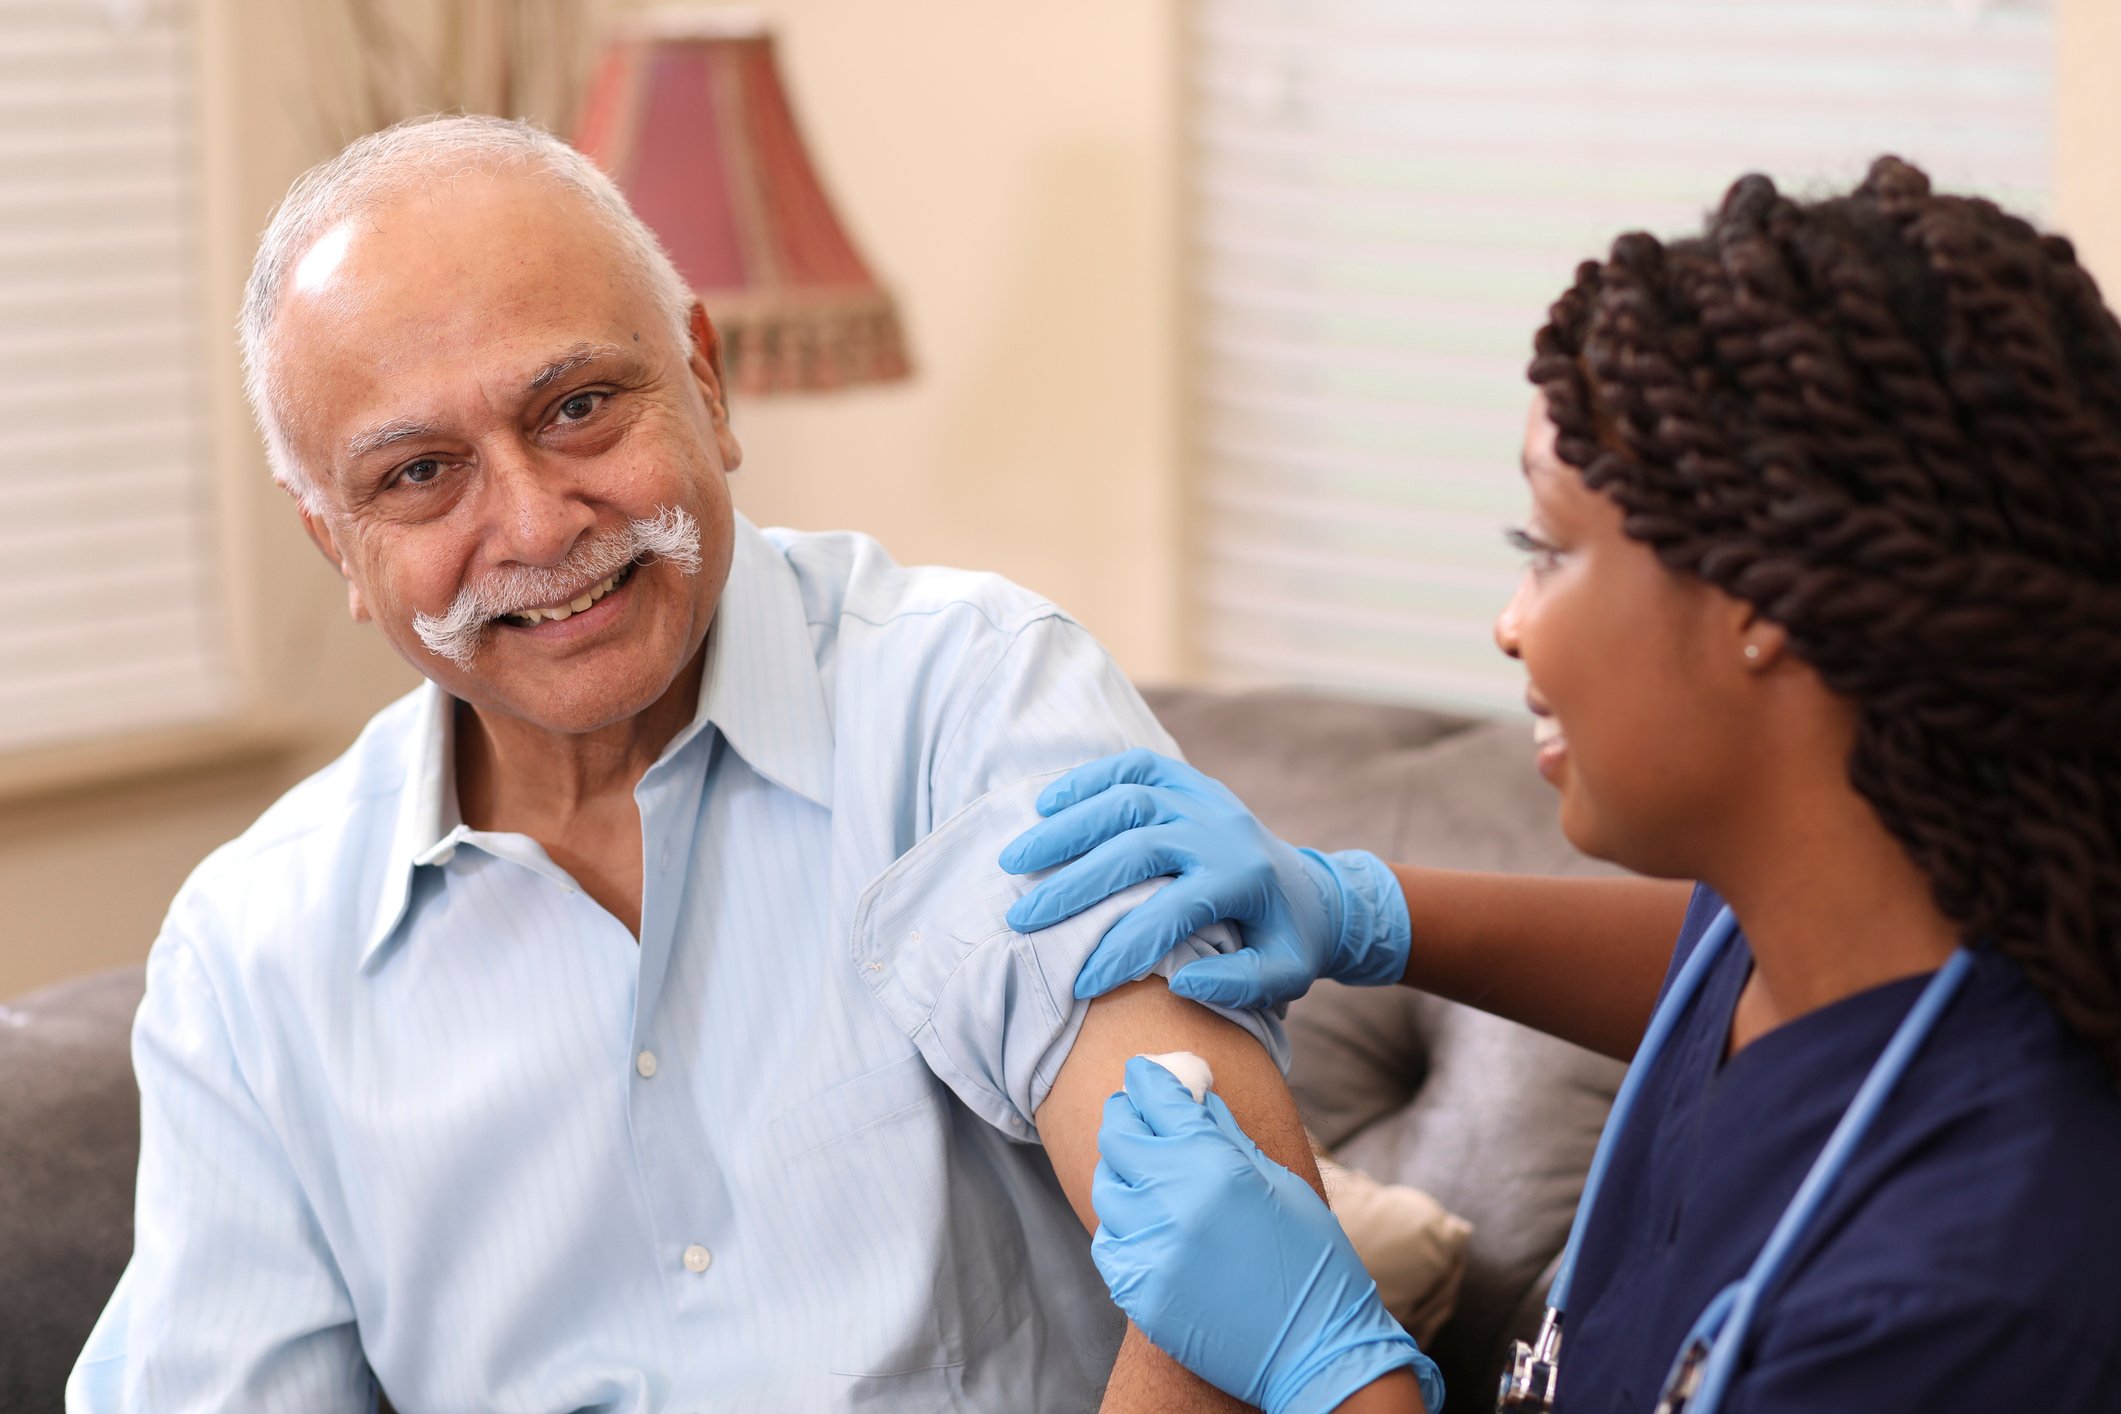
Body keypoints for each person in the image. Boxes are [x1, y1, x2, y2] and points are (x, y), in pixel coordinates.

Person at [65, 114, 1418, 1414]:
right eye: (421, 474)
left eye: (580, 404)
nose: (536, 522)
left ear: (705, 383)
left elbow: (1218, 1285)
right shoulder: (251, 955)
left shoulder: (973, 699)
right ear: (334, 545)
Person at [1003, 158, 2121, 1412]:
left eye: (1547, 549)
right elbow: (1711, 972)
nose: (1511, 624)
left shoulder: (1953, 1304)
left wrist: (1336, 1371)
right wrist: (1365, 912)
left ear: (1761, 601)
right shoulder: (1841, 935)